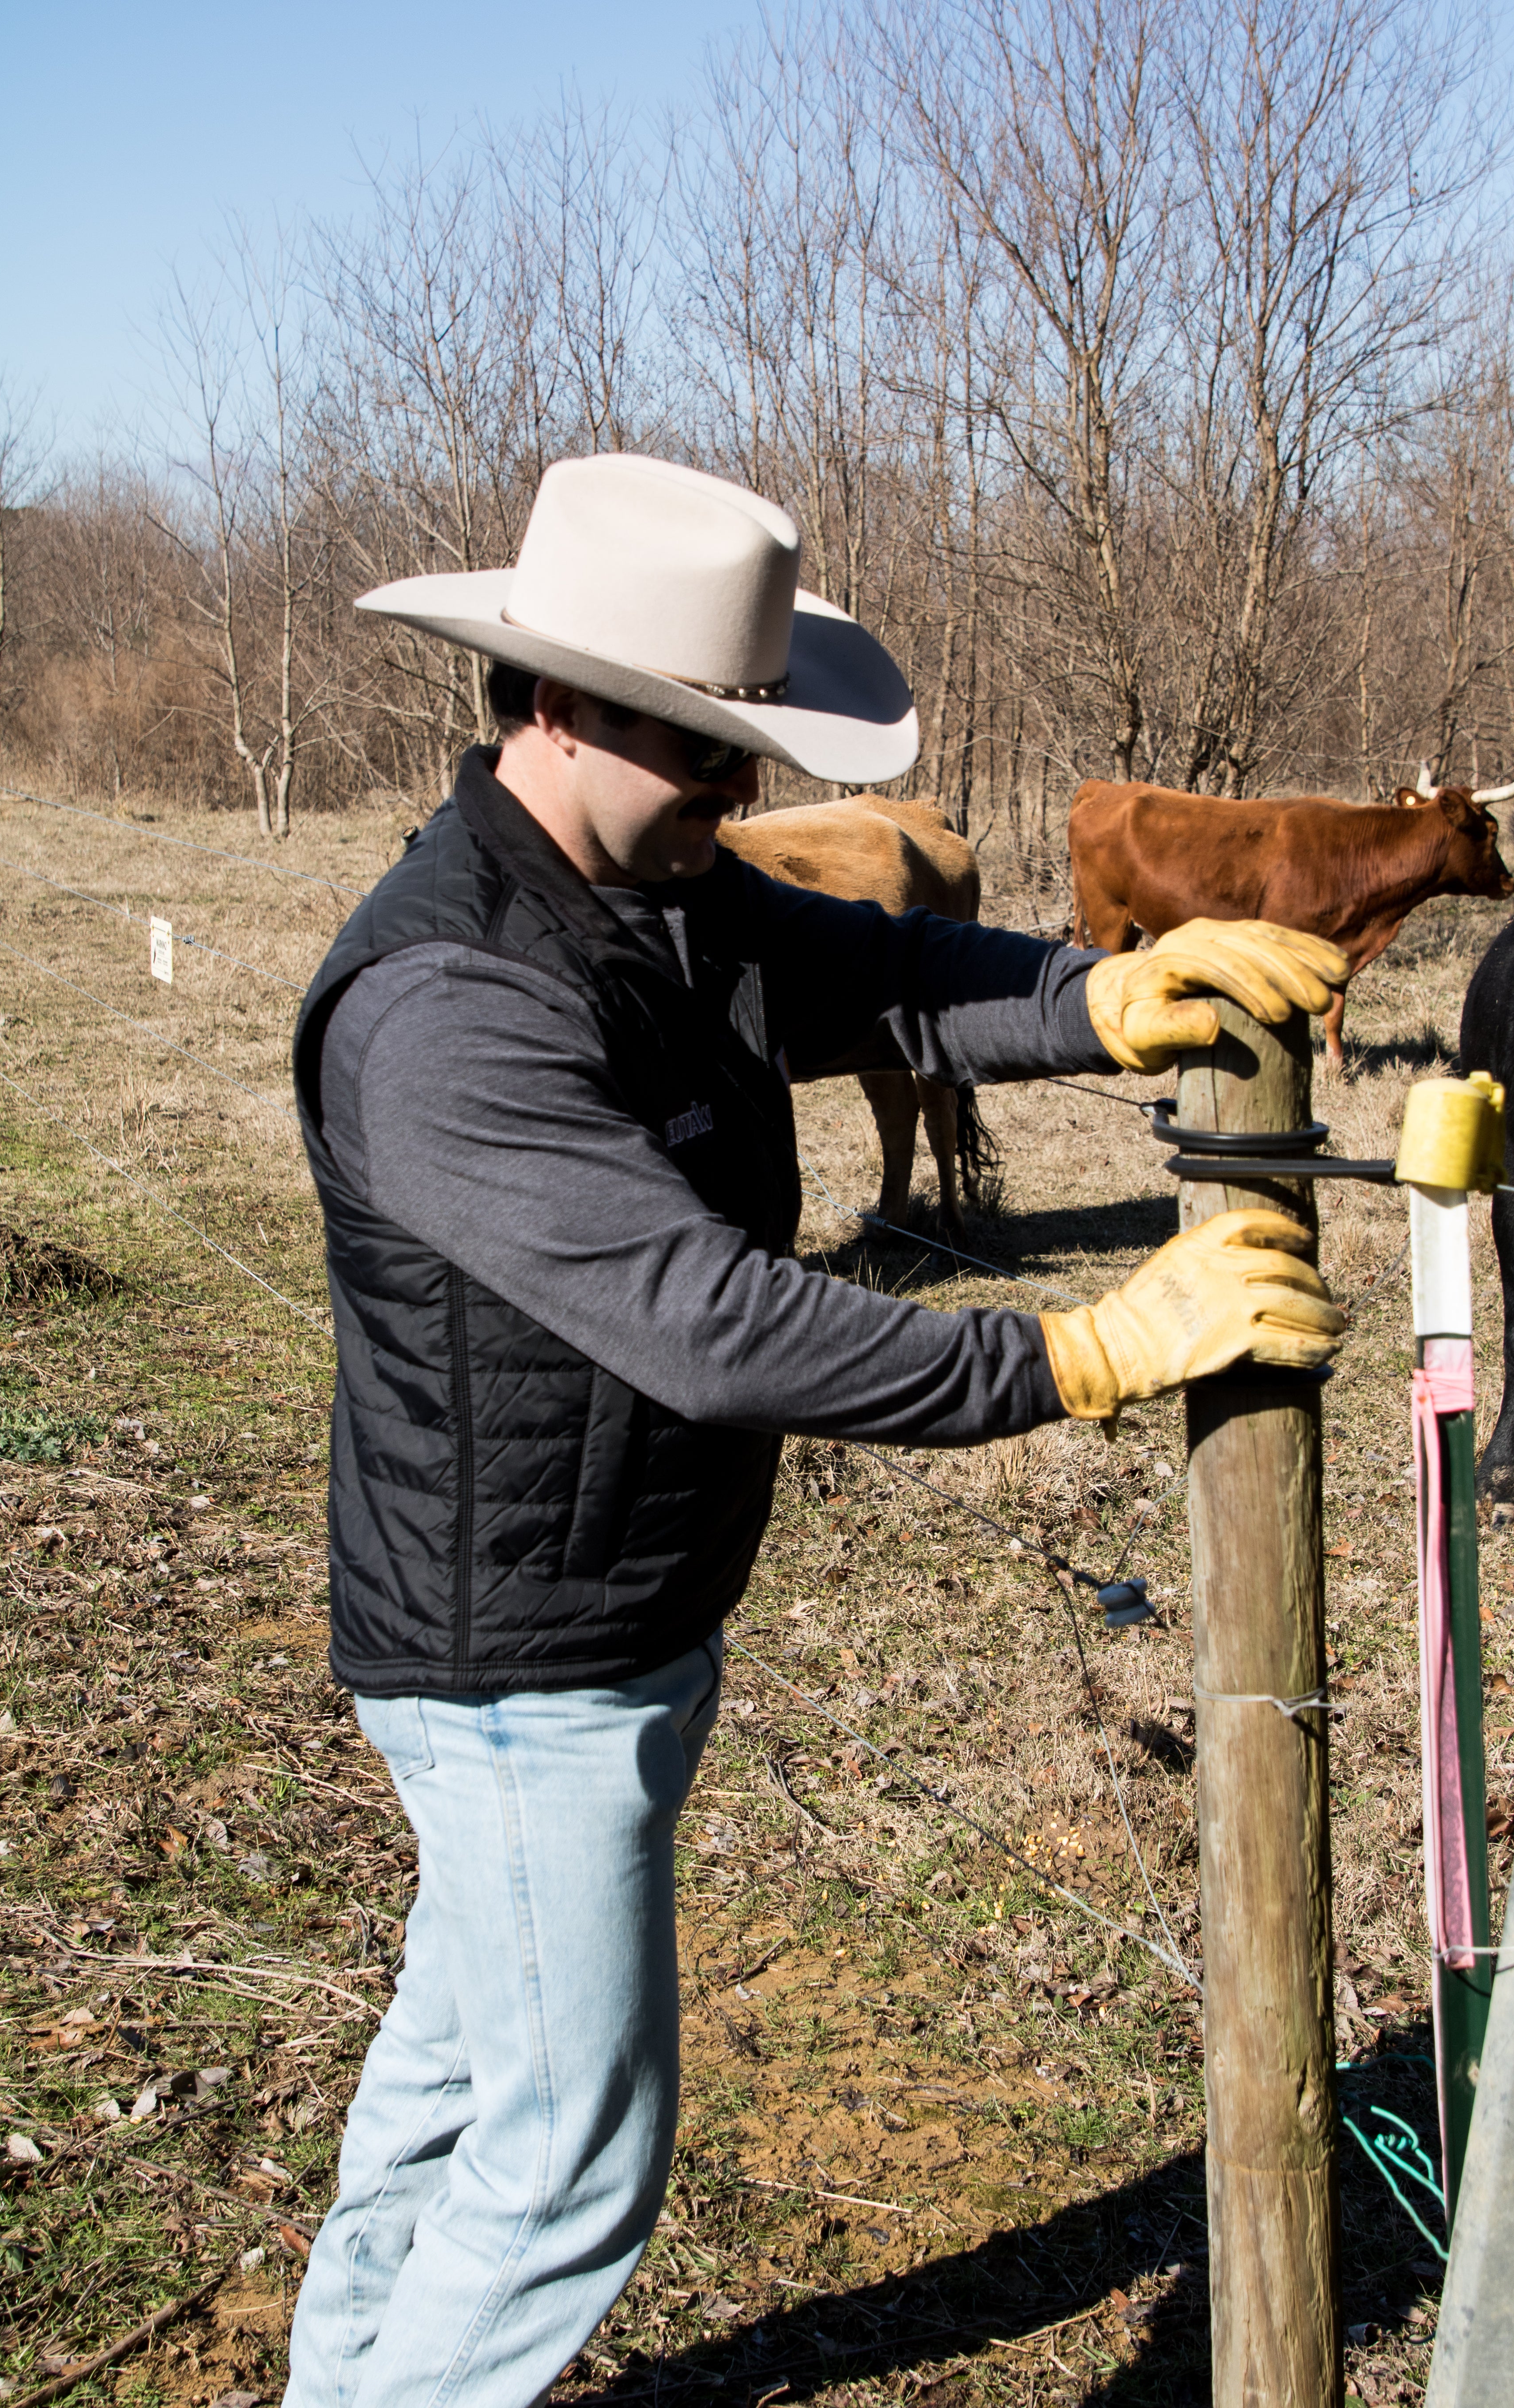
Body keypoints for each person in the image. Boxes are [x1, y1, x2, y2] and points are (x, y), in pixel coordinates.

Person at [284, 454, 1347, 2408]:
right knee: (566, 2168)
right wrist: (1087, 1351)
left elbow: (887, 977)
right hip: (519, 1659)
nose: (738, 788)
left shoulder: (658, 896)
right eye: (704, 747)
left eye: (748, 748)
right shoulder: (450, 1004)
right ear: (556, 703)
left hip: (618, 1609)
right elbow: (710, 1327)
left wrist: (1105, 995)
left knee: (462, 2075)